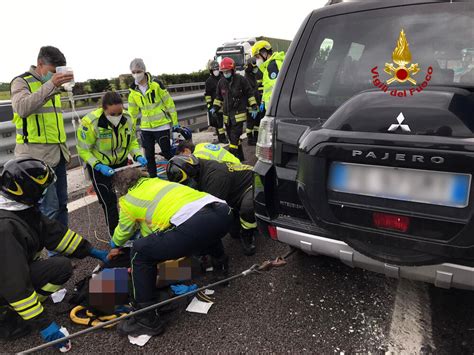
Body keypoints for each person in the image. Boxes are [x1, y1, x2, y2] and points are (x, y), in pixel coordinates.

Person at [108, 168, 232, 337]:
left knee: (139, 251)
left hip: (194, 224)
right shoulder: (157, 181)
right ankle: (221, 268)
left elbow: (123, 233)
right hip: (222, 212)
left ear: (121, 189)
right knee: (203, 229)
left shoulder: (128, 200)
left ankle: (146, 319)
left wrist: (114, 243)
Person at [0, 158, 108, 347]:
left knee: (61, 267)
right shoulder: (5, 229)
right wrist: (44, 325)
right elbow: (13, 282)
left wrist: (93, 251)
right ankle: (11, 313)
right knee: (19, 296)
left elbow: (55, 234)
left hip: (10, 271)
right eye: (41, 189)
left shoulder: (20, 208)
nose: (45, 193)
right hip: (6, 279)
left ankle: (25, 308)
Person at [11, 46, 74, 227]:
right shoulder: (21, 82)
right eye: (52, 71)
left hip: (57, 154)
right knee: (49, 208)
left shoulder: (54, 86)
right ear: (40, 64)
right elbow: (22, 108)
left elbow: (52, 124)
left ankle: (64, 246)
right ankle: (53, 253)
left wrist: (65, 152)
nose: (55, 75)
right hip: (36, 158)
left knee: (62, 204)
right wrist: (51, 84)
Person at [76, 92, 147, 235]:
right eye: (112, 114)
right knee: (108, 202)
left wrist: (137, 154)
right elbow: (83, 150)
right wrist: (98, 165)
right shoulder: (90, 122)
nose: (117, 117)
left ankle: (134, 229)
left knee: (129, 197)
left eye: (119, 113)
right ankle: (115, 234)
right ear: (103, 109)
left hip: (121, 164)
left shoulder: (127, 118)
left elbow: (131, 140)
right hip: (100, 167)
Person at [167, 155, 257, 256]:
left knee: (247, 208)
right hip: (234, 191)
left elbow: (213, 208)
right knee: (234, 233)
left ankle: (247, 235)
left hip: (253, 185)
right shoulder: (199, 169)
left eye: (187, 181)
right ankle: (242, 217)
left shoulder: (215, 177)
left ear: (192, 172)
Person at [128, 58, 178, 177]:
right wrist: (131, 128)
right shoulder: (133, 91)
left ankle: (178, 171)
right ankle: (153, 178)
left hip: (161, 125)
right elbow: (132, 113)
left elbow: (169, 103)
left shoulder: (156, 84)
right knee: (149, 155)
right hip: (146, 128)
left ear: (144, 71)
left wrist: (174, 121)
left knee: (166, 152)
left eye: (138, 71)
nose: (136, 74)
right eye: (133, 72)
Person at [210, 57, 258, 162]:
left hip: (238, 116)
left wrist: (254, 105)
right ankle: (241, 159)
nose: (226, 73)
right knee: (234, 139)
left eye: (228, 71)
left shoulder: (241, 80)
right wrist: (214, 107)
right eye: (224, 71)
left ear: (233, 70)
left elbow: (249, 93)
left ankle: (230, 162)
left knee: (233, 141)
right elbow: (218, 98)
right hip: (227, 118)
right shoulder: (221, 83)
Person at [251, 40, 286, 112]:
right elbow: (268, 88)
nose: (257, 60)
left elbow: (276, 89)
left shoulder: (272, 66)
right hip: (272, 108)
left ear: (264, 53)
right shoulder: (269, 66)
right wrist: (263, 101)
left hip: (275, 109)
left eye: (257, 57)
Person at [205, 60, 227, 143]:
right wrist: (210, 106)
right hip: (216, 105)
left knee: (228, 122)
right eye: (214, 70)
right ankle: (222, 138)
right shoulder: (209, 81)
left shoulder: (223, 78)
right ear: (211, 71)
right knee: (219, 124)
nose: (216, 71)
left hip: (226, 104)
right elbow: (207, 95)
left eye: (217, 69)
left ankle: (230, 136)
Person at [244, 57, 264, 146]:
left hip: (257, 103)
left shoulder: (253, 76)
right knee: (250, 123)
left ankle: (256, 137)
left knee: (257, 122)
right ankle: (250, 138)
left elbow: (256, 91)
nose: (255, 68)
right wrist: (253, 106)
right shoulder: (246, 78)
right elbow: (249, 94)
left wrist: (260, 103)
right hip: (250, 106)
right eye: (253, 67)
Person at [176, 141, 240, 164]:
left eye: (182, 156)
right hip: (238, 164)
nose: (184, 159)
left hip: (233, 171)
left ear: (186, 150)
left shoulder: (198, 157)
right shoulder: (201, 145)